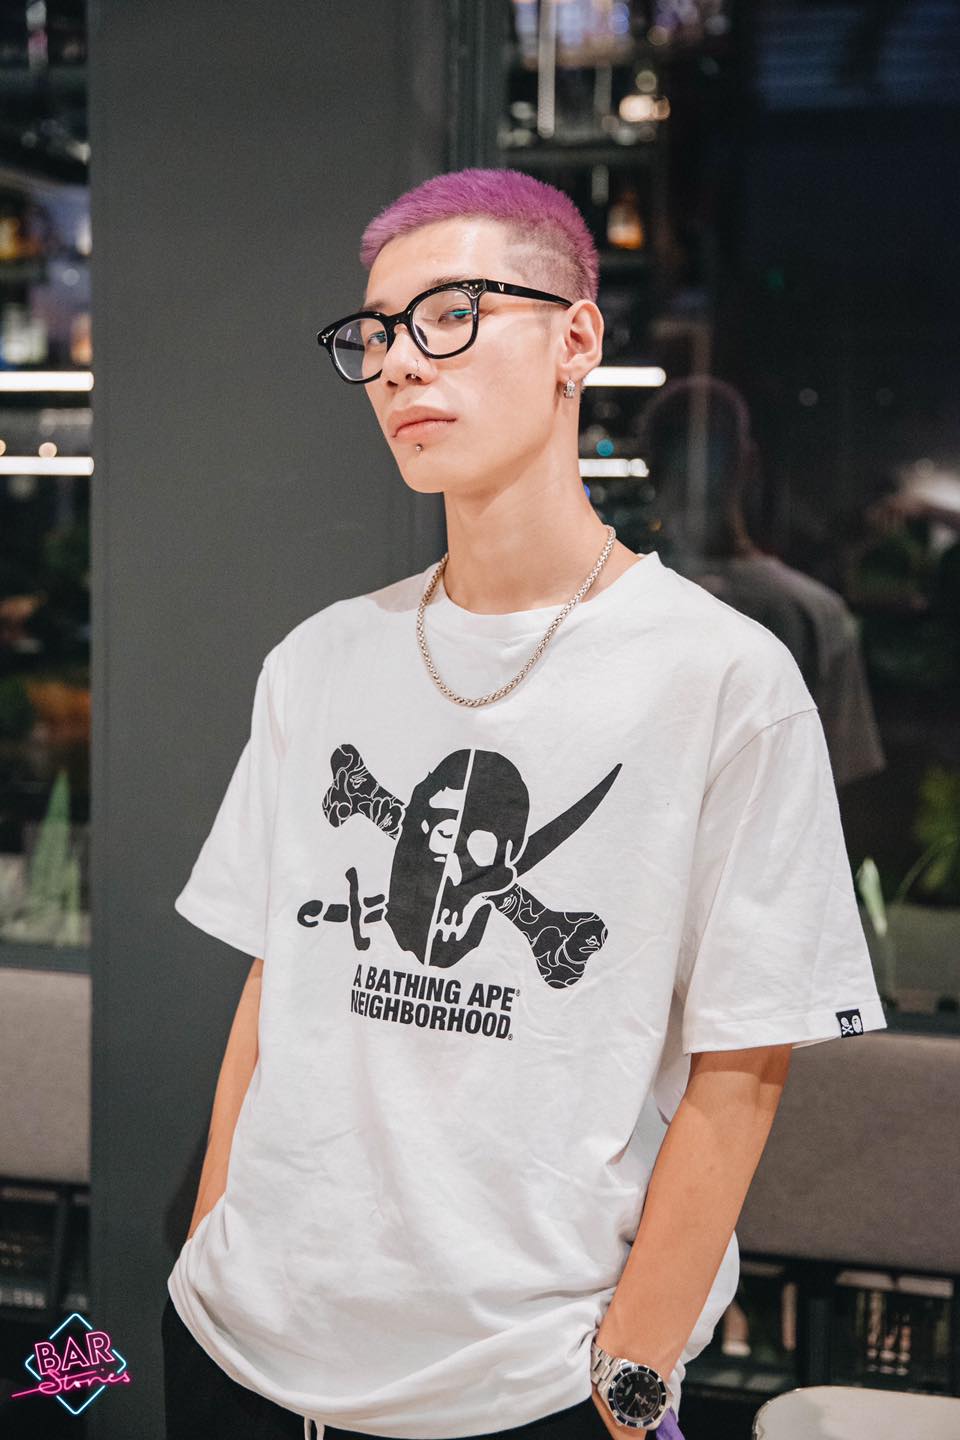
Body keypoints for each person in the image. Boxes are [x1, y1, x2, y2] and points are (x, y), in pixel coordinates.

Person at [163, 167, 887, 1440]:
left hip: (532, 1382)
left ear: (577, 339)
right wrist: (212, 1234)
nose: (399, 362)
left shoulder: (724, 680)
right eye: (376, 333)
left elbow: (745, 1059)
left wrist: (632, 1373)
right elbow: (279, 976)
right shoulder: (319, 662)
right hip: (246, 1342)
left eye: (451, 314)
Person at [638, 375, 886, 789]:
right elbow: (842, 784)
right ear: (748, 462)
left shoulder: (621, 607)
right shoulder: (815, 612)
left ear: (651, 471)